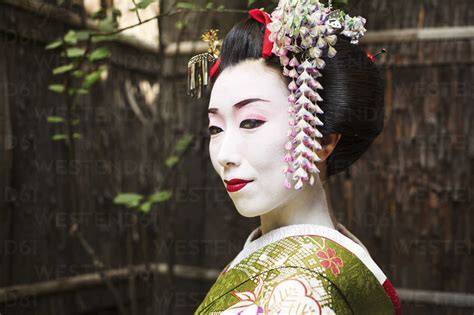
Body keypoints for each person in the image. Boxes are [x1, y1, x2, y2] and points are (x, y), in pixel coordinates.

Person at [188, 1, 401, 314]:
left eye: (250, 122)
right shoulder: (335, 257)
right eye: (215, 128)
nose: (225, 155)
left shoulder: (296, 295)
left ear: (323, 140)